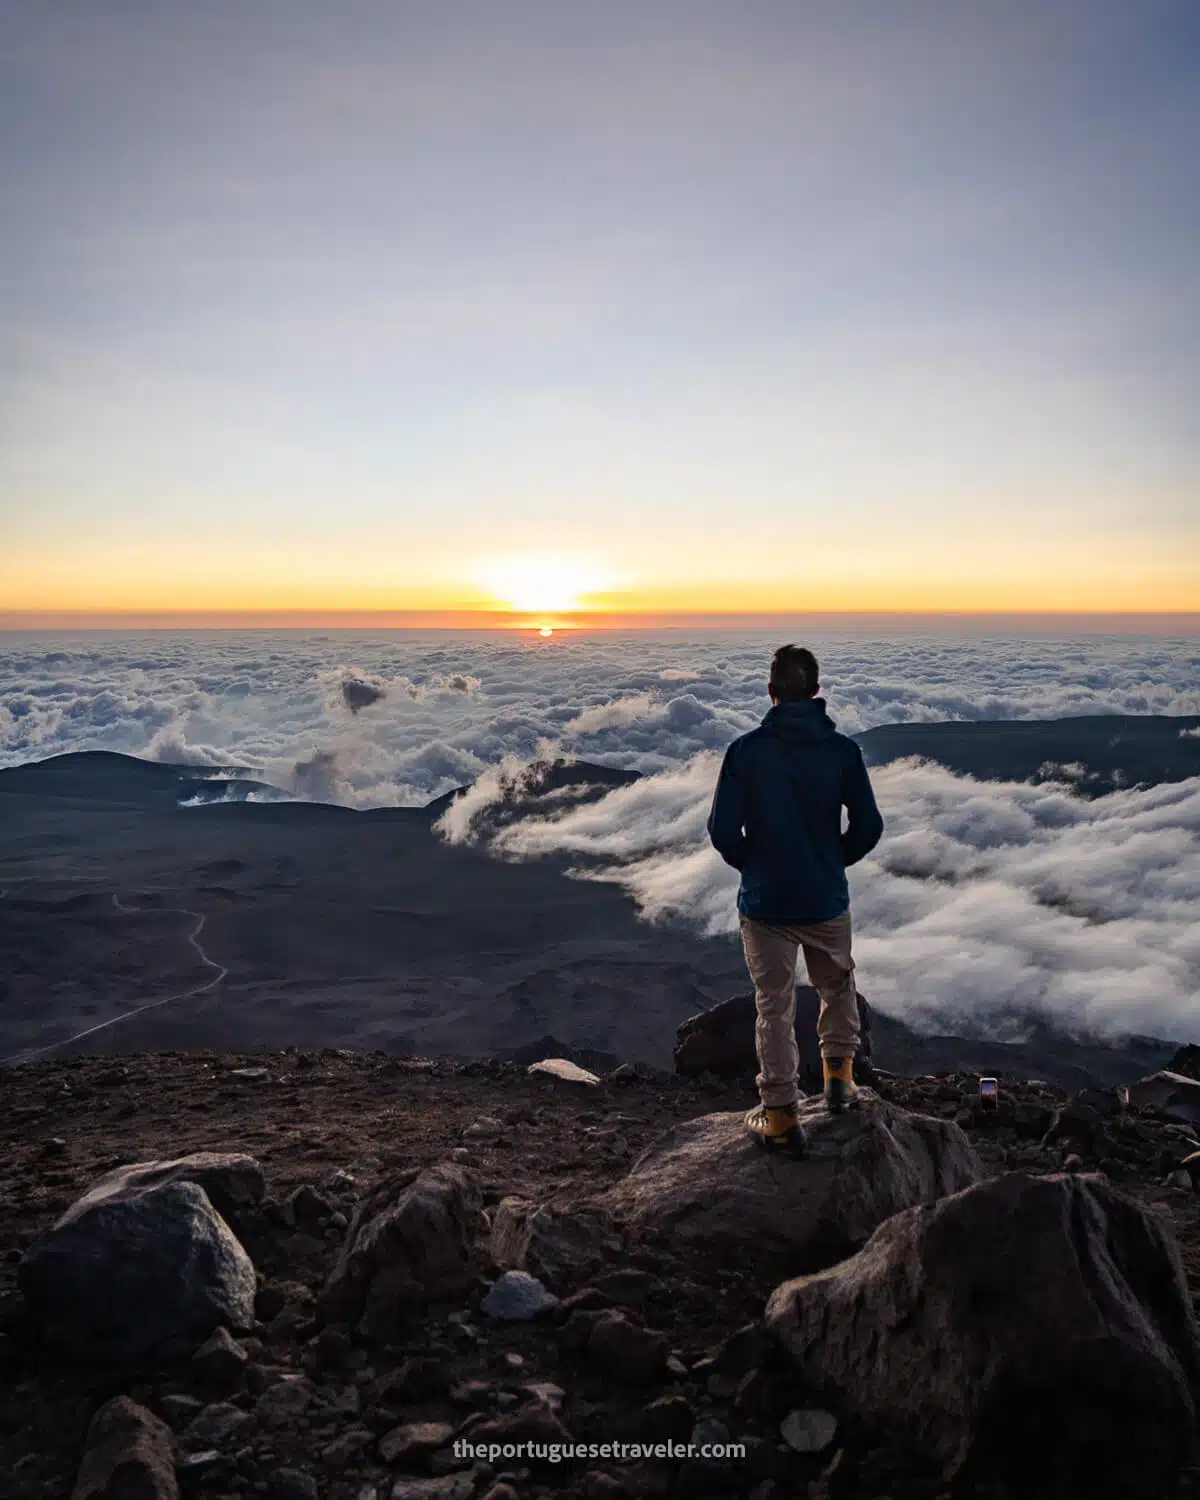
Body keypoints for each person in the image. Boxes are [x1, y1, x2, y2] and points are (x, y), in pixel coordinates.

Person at [707, 644, 883, 1154]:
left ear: (771, 693)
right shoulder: (844, 753)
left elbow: (722, 830)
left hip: (766, 903)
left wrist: (756, 865)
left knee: (774, 1006)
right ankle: (838, 1082)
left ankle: (781, 1112)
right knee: (837, 986)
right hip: (825, 897)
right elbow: (868, 826)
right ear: (816, 692)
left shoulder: (745, 752)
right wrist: (830, 863)